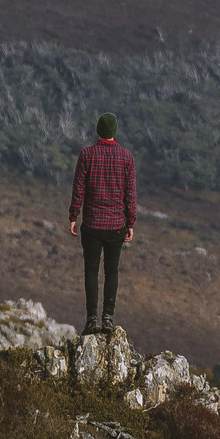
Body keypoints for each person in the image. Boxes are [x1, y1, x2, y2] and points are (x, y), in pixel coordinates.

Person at [66, 112, 136, 335]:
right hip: (116, 225)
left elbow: (78, 189)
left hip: (92, 225)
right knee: (112, 270)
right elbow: (130, 194)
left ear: (98, 130)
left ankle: (91, 320)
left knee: (91, 271)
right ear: (114, 132)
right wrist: (130, 221)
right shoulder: (126, 157)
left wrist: (73, 216)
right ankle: (108, 318)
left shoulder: (87, 155)